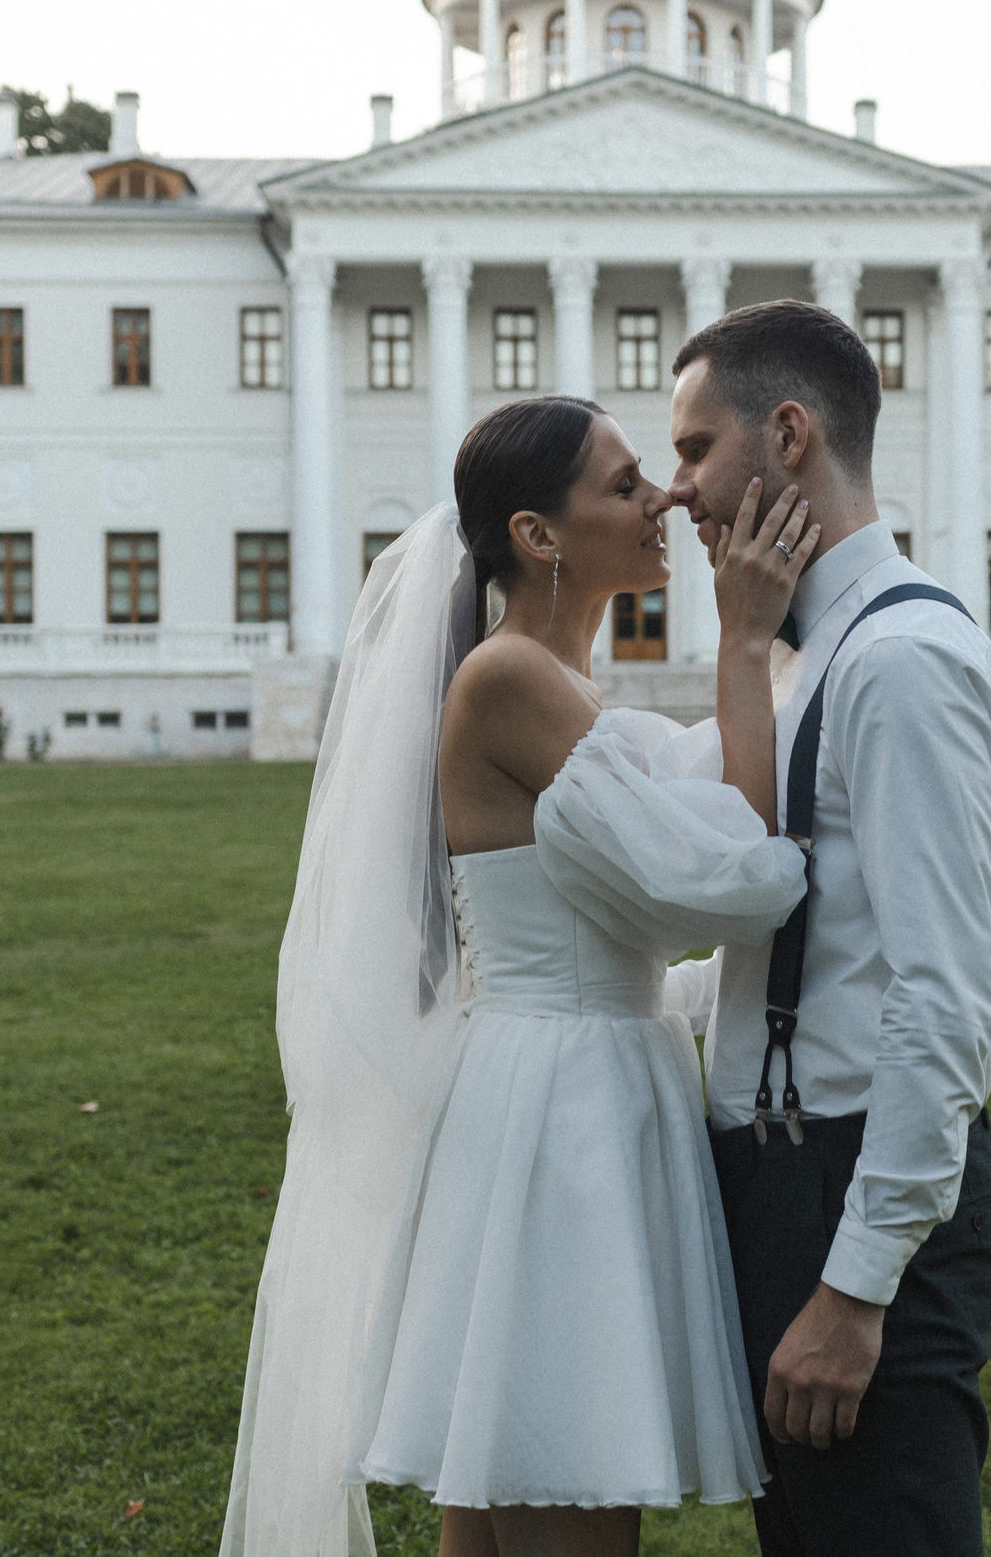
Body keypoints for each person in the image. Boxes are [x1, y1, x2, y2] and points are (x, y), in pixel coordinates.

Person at [221, 393, 823, 1557]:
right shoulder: (509, 682)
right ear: (536, 535)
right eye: (624, 484)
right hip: (562, 1120)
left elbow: (696, 810)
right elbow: (741, 874)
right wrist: (745, 640)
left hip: (558, 1093)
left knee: (497, 1518)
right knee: (564, 1488)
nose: (667, 500)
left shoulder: (574, 695)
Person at [666, 300, 991, 1557]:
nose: (679, 492)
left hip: (852, 1191)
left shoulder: (900, 663)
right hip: (790, 1180)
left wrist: (854, 1285)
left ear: (786, 435)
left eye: (697, 451)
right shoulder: (811, 655)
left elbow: (943, 996)